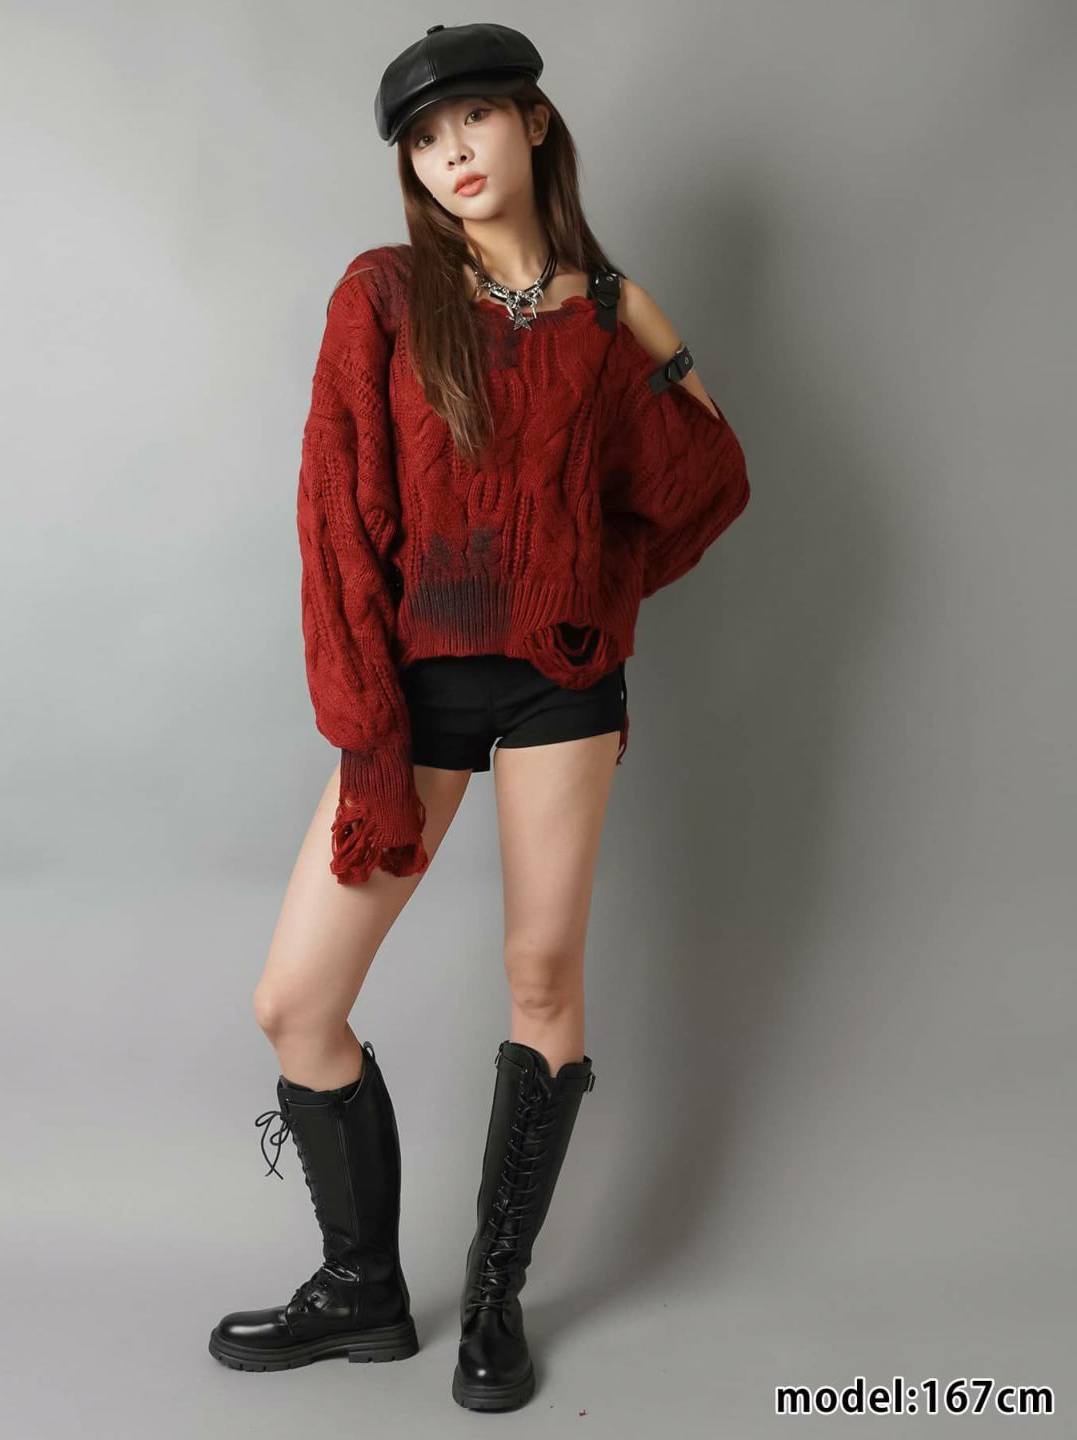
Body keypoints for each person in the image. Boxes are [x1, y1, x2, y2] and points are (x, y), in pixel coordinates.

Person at [208, 21, 750, 1413]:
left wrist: (636, 318)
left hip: (562, 680)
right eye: (424, 138)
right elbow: (337, 523)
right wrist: (366, 727)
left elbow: (704, 482)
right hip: (418, 688)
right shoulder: (386, 295)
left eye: (475, 120)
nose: (451, 152)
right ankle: (362, 1289)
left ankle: (493, 1298)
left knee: (543, 979)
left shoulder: (600, 316)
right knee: (296, 1001)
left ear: (534, 124)